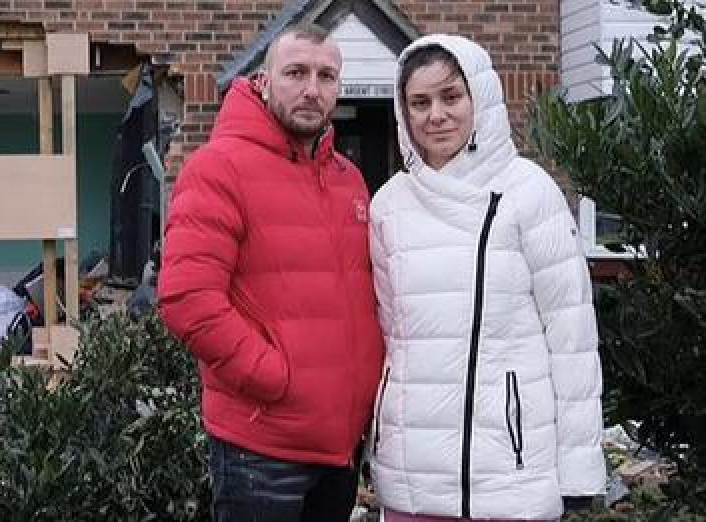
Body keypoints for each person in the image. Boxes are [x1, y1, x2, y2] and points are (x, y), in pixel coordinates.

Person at [366, 34, 606, 521]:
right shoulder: (388, 205)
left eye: (451, 97)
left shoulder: (528, 192)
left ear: (480, 96)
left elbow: (572, 337)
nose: (436, 115)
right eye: (420, 102)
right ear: (403, 111)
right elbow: (391, 337)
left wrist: (578, 469)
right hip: (414, 472)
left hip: (510, 468)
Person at [158, 23, 386, 522]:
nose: (312, 88)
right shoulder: (218, 169)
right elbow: (187, 300)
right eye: (296, 72)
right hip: (261, 449)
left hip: (339, 449)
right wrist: (274, 377)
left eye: (326, 76)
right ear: (263, 81)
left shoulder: (349, 180)